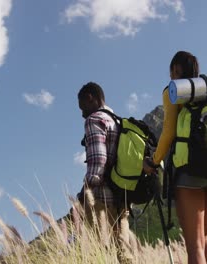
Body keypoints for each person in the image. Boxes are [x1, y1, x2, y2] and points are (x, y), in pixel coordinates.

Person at [143, 51, 207, 264]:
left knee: (195, 246)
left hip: (191, 171)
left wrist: (154, 161)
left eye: (171, 72)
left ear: (175, 70)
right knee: (205, 237)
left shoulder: (174, 91)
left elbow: (168, 133)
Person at [77, 82, 133, 263]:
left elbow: (98, 161)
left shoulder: (94, 120)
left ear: (90, 98)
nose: (82, 113)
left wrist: (84, 192)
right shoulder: (118, 121)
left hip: (101, 199)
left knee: (96, 254)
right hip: (122, 197)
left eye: (82, 107)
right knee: (124, 254)